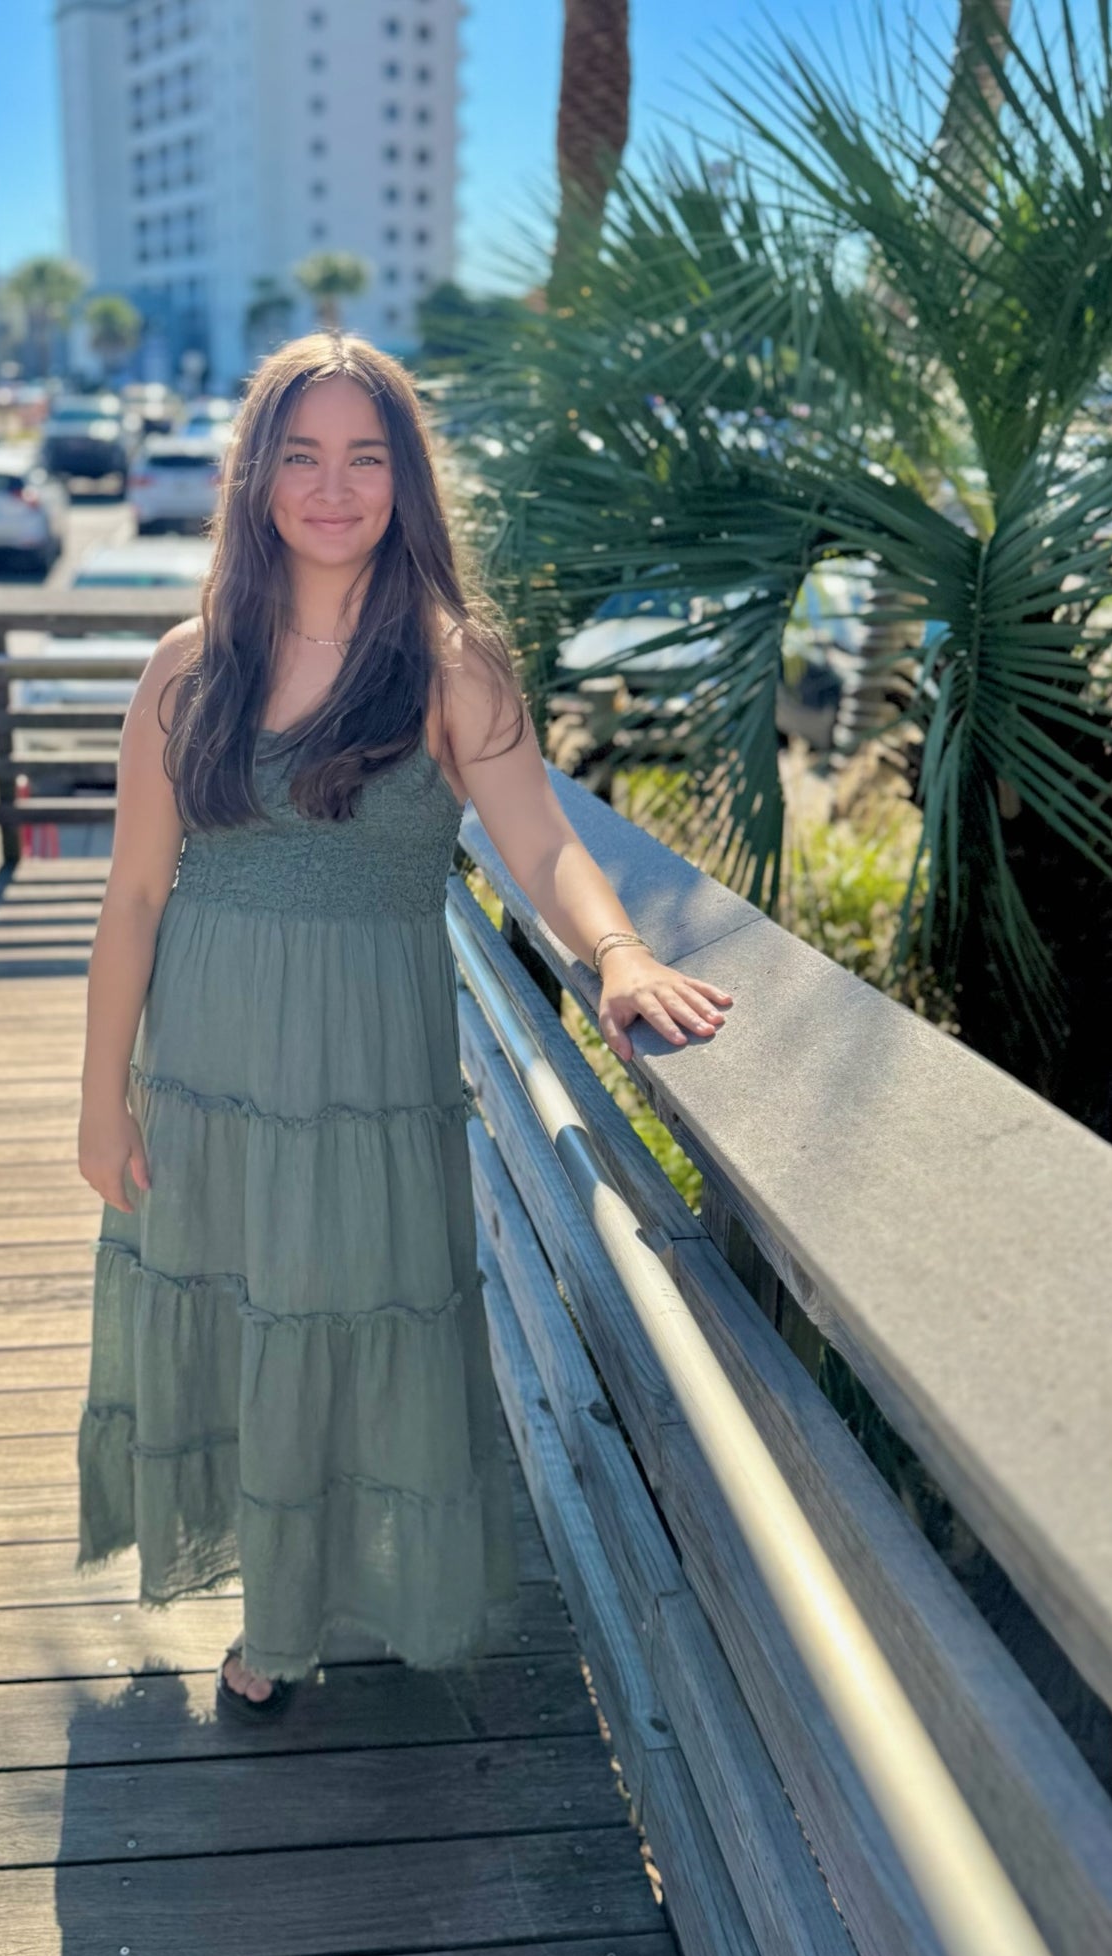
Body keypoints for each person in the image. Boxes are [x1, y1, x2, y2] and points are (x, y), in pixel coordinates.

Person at [75, 330, 733, 1719]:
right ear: (256, 481)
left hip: (361, 1066)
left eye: (365, 458)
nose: (333, 487)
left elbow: (543, 843)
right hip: (206, 1067)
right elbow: (134, 894)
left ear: (406, 481)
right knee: (248, 1310)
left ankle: (303, 1611)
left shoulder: (452, 664)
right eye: (301, 456)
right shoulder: (187, 666)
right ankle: (272, 1608)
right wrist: (101, 1096)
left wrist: (614, 952)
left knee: (336, 1315)